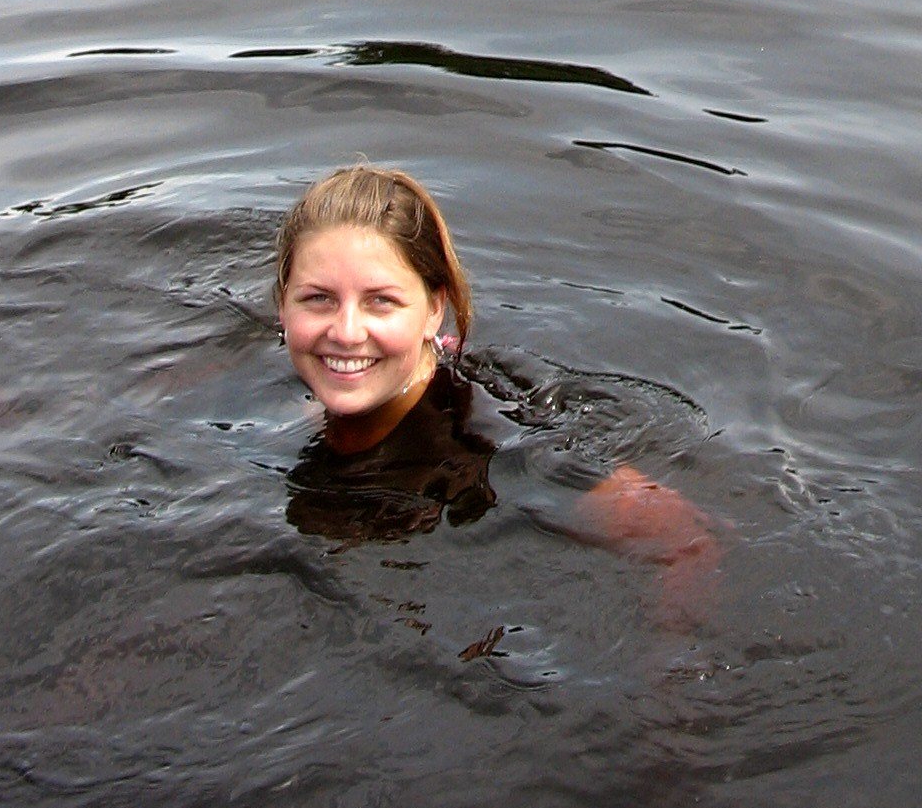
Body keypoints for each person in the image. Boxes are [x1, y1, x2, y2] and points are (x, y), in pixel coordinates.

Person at [275, 164, 717, 596]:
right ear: (282, 306)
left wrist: (672, 659)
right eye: (318, 299)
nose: (346, 333)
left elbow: (687, 541)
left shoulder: (501, 449)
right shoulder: (299, 389)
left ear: (433, 310)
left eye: (381, 302)